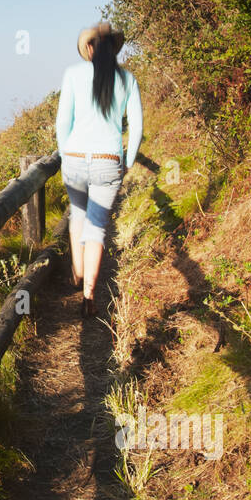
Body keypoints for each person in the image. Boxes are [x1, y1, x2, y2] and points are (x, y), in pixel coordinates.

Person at [54, 21, 143, 318]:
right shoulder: (128, 79)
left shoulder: (73, 75)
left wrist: (66, 155)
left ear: (90, 48)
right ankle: (90, 294)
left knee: (77, 215)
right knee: (97, 228)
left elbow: (62, 123)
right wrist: (127, 162)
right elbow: (138, 127)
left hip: (76, 158)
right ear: (113, 49)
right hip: (109, 161)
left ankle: (77, 273)